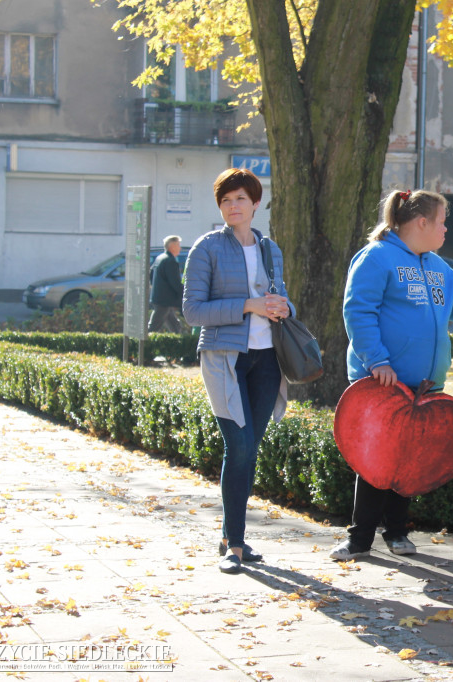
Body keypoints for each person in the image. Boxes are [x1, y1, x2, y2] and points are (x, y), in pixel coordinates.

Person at [330, 189, 453, 561]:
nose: (445, 229)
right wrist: (377, 361)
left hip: (423, 386)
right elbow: (358, 311)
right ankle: (358, 540)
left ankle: (397, 532)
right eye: (441, 221)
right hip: (383, 383)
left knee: (409, 461)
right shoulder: (376, 257)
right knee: (376, 463)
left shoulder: (437, 266)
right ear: (421, 222)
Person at [182, 168, 292, 575]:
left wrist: (284, 307)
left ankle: (231, 536)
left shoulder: (269, 249)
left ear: (255, 203)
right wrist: (250, 305)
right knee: (239, 447)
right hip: (224, 357)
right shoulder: (206, 248)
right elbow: (193, 311)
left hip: (267, 359)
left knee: (250, 450)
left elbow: (281, 299)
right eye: (226, 200)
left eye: (241, 199)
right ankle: (236, 544)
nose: (233, 206)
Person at [148, 235, 183, 333]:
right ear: (172, 246)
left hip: (161, 299)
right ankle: (142, 345)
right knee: (153, 328)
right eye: (178, 245)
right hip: (164, 300)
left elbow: (151, 274)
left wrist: (156, 288)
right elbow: (175, 283)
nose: (180, 248)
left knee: (175, 326)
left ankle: (179, 344)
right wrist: (183, 294)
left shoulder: (160, 258)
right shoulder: (170, 261)